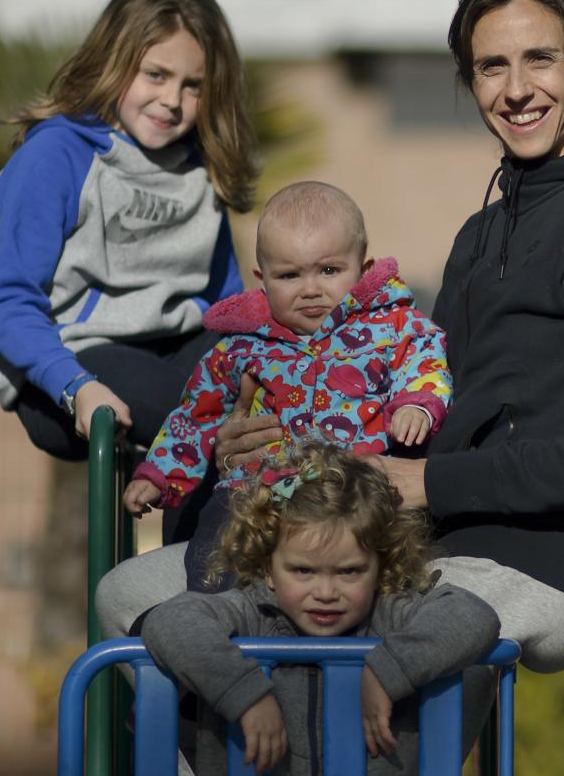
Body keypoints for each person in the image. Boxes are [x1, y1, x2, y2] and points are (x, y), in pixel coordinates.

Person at [102, 0, 564, 675]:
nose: (516, 90)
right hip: (421, 541)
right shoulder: (482, 234)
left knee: (319, 650)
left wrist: (432, 485)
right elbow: (410, 405)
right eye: (491, 67)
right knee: (129, 594)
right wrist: (265, 443)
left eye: (540, 59)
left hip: (530, 560)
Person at [0, 0, 256, 521]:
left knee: (268, 386)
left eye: (193, 85)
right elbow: (7, 303)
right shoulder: (57, 154)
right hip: (72, 362)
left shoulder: (201, 167)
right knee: (205, 415)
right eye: (156, 75)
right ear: (115, 59)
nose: (172, 101)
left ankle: (219, 572)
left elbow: (226, 306)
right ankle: (202, 580)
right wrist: (75, 387)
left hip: (174, 351)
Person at [140, 442, 499, 776]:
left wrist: (387, 671)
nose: (326, 591)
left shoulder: (388, 614)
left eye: (349, 572)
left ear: (379, 565)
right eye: (303, 571)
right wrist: (246, 695)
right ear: (268, 568)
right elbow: (169, 621)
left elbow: (473, 615)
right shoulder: (249, 613)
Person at [121, 181, 450, 591]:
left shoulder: (389, 326)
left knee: (390, 537)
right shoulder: (240, 347)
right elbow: (195, 415)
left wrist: (417, 404)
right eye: (290, 275)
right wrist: (159, 474)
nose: (311, 288)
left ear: (363, 270)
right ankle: (216, 614)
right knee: (218, 535)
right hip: (260, 487)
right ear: (263, 279)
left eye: (329, 270)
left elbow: (425, 356)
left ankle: (383, 619)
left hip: (352, 484)